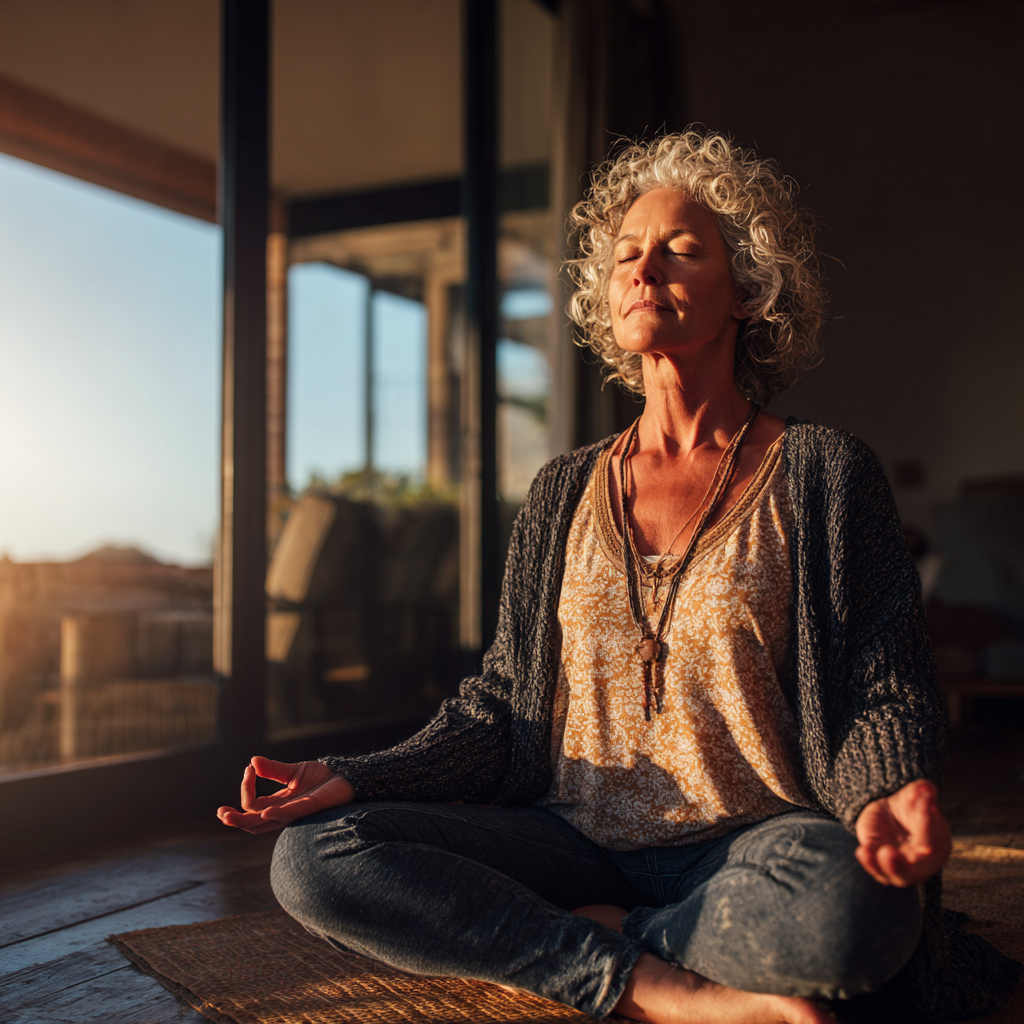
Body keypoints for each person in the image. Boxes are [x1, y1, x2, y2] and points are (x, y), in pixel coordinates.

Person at [218, 132, 1020, 1023]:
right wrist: (358, 774)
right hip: (570, 837)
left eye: (682, 249)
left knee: (855, 912)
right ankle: (647, 982)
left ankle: (600, 932)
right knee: (317, 857)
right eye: (628, 254)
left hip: (756, 842)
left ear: (748, 290)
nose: (646, 269)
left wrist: (890, 790)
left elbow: (883, 675)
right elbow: (501, 705)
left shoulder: (825, 472)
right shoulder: (563, 490)